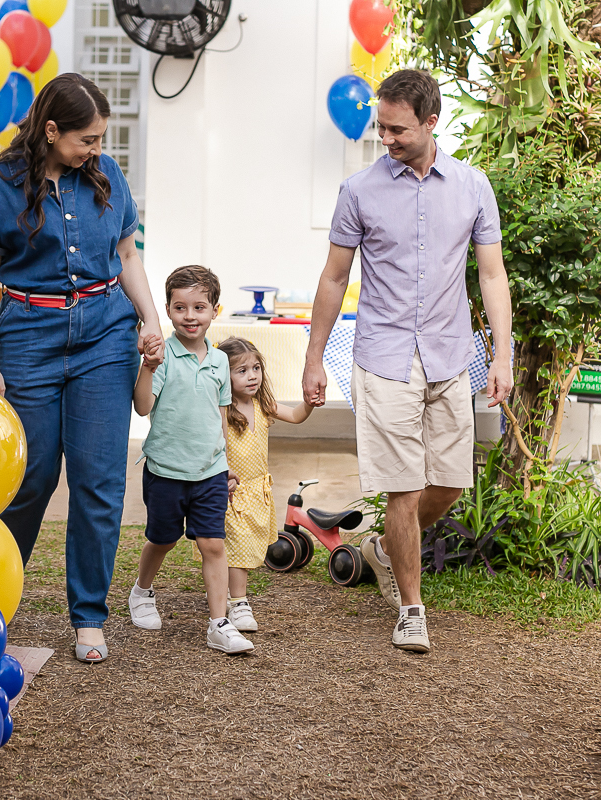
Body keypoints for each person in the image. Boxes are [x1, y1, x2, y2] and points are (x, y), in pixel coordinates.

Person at [301, 69, 513, 654]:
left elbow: (491, 275)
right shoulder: (359, 191)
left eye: (397, 129)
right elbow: (334, 278)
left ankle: (380, 547)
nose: (386, 138)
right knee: (403, 487)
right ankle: (412, 607)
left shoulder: (472, 187)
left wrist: (503, 354)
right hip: (383, 356)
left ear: (431, 122)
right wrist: (314, 358)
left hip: (449, 355)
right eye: (381, 127)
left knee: (447, 485)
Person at [0, 74, 164, 665]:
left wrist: (151, 321)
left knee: (100, 480)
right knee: (29, 477)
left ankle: (89, 616)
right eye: (86, 139)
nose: (96, 149)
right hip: (28, 337)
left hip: (104, 334)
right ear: (51, 131)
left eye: (101, 138)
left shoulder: (106, 177)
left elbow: (128, 255)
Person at [127, 266, 254, 654]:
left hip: (210, 472)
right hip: (166, 471)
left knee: (213, 545)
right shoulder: (162, 357)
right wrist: (148, 368)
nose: (190, 316)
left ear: (215, 310)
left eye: (199, 307)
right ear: (167, 310)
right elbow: (143, 406)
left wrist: (226, 462)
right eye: (180, 307)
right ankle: (142, 591)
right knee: (161, 539)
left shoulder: (219, 362)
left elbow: (218, 417)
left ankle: (218, 622)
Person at [216, 337, 313, 632]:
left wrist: (310, 400)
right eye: (242, 371)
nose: (252, 376)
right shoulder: (223, 410)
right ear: (223, 375)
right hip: (232, 491)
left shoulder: (263, 405)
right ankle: (239, 602)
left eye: (256, 368)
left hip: (257, 490)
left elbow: (296, 416)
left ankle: (227, 597)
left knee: (243, 548)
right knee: (237, 548)